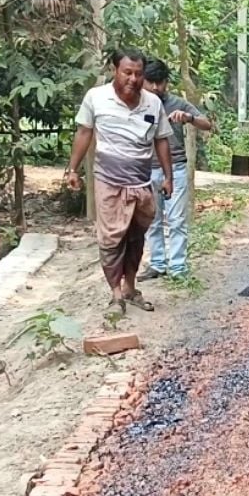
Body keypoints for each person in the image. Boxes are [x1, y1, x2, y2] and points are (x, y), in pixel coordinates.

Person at [65, 47, 174, 315]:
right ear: (115, 70)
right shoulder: (96, 98)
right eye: (127, 72)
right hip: (109, 180)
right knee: (112, 238)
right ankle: (116, 297)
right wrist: (72, 169)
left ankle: (130, 288)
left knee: (136, 237)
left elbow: (161, 140)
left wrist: (168, 177)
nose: (133, 79)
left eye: (138, 74)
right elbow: (84, 132)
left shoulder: (153, 103)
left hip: (141, 182)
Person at [138, 57, 213, 282]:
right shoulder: (136, 105)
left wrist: (188, 118)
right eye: (150, 83)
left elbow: (207, 123)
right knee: (151, 219)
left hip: (176, 168)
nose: (155, 88)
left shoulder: (177, 103)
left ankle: (178, 267)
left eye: (159, 83)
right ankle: (158, 263)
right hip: (146, 169)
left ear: (166, 83)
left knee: (176, 219)